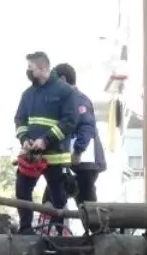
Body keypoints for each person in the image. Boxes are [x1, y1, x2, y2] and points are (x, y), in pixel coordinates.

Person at [13, 51, 77, 234]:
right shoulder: (27, 94)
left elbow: (69, 121)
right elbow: (19, 120)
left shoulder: (64, 92)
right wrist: (25, 140)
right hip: (31, 157)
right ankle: (25, 230)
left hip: (55, 157)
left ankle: (58, 233)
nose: (28, 71)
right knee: (22, 192)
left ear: (42, 68)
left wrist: (45, 139)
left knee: (58, 199)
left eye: (30, 68)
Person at [49, 63, 105, 204]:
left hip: (84, 162)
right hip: (72, 161)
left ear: (62, 79)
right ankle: (56, 225)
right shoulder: (67, 100)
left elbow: (87, 127)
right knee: (52, 198)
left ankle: (96, 226)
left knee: (87, 205)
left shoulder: (78, 100)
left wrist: (78, 151)